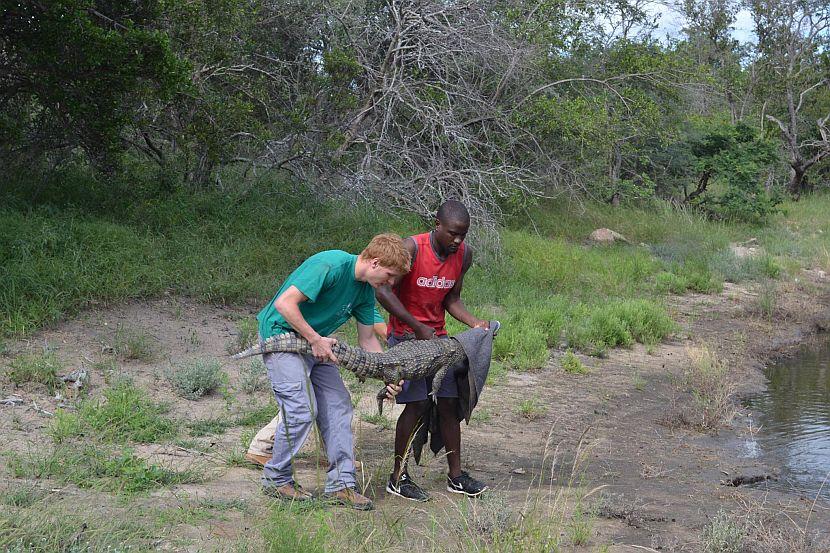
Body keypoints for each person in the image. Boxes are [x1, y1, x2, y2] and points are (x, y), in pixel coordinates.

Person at [256, 234, 408, 511]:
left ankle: (341, 485)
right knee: (302, 408)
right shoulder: (330, 264)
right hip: (281, 336)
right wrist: (315, 339)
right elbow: (285, 304)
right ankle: (276, 478)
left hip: (316, 343)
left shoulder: (365, 291)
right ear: (374, 262)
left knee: (339, 407)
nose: (390, 283)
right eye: (389, 275)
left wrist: (390, 374)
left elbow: (368, 341)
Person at [376, 200, 489, 502]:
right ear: (437, 224)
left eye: (463, 235)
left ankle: (456, 476)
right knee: (416, 406)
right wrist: (415, 325)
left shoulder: (463, 255)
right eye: (453, 233)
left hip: (438, 342)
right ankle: (397, 477)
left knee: (450, 404)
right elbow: (383, 290)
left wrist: (474, 322)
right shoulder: (412, 248)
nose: (457, 241)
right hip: (406, 340)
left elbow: (452, 299)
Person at [245, 308, 388, 466]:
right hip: (289, 331)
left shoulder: (366, 292)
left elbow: (372, 324)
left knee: (334, 400)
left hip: (315, 335)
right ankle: (264, 449)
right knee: (300, 404)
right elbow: (382, 328)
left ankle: (338, 457)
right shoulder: (355, 285)